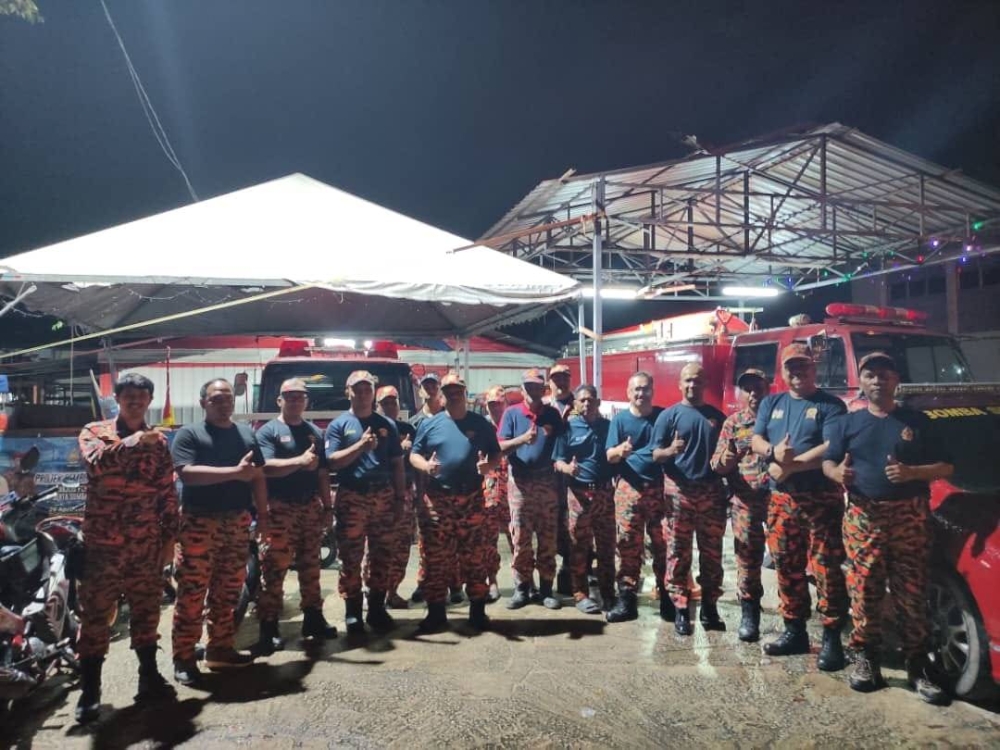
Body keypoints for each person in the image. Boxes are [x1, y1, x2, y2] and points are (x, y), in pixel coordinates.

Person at [823, 352, 952, 704]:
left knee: (912, 592)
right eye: (871, 375)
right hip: (863, 516)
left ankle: (918, 665)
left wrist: (912, 473)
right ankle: (867, 659)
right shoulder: (846, 424)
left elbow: (946, 467)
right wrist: (837, 474)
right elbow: (829, 462)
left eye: (884, 373)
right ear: (862, 383)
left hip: (909, 516)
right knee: (865, 590)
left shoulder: (918, 421)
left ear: (896, 380)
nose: (878, 380)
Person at [74, 374, 178, 723]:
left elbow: (167, 493)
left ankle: (148, 677)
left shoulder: (160, 444)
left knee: (147, 612)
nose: (135, 401)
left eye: (141, 396)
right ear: (117, 398)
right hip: (103, 545)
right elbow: (96, 464)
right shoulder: (94, 432)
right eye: (128, 395)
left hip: (145, 545)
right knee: (95, 617)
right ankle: (90, 690)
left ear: (149, 401)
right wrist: (133, 441)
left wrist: (169, 540)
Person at [751, 343, 848, 671]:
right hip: (782, 501)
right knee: (787, 568)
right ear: (782, 371)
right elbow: (756, 439)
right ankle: (795, 632)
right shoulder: (771, 402)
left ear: (814, 368)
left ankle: (833, 637)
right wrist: (772, 454)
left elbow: (832, 446)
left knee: (826, 569)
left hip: (821, 500)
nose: (797, 372)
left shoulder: (830, 405)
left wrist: (791, 465)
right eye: (791, 367)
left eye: (803, 366)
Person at [170, 378, 266, 685]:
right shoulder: (190, 434)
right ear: (203, 403)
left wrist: (263, 514)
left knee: (228, 590)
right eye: (216, 399)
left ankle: (220, 649)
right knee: (192, 592)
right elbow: (187, 474)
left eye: (228, 398)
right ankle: (184, 657)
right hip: (200, 523)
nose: (224, 403)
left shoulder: (246, 433)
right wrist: (234, 473)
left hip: (236, 522)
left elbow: (258, 476)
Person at [409, 372, 501, 631]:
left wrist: (489, 465)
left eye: (457, 389)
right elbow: (414, 455)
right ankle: (436, 613)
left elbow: (495, 451)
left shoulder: (480, 424)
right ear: (442, 394)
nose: (453, 393)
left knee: (474, 557)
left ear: (464, 391)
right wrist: (426, 466)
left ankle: (477, 611)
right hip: (438, 501)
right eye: (448, 390)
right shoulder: (430, 424)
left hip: (471, 499)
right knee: (436, 559)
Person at [254, 378, 337, 656]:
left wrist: (327, 508)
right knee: (274, 570)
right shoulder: (268, 432)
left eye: (300, 397)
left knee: (311, 566)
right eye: (289, 396)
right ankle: (269, 627)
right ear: (279, 401)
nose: (295, 401)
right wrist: (298, 462)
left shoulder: (314, 432)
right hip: (280, 510)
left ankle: (313, 618)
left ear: (306, 401)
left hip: (309, 508)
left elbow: (323, 473)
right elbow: (265, 468)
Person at [325, 370, 407, 635]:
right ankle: (352, 612)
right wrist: (360, 446)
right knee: (350, 556)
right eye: (357, 389)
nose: (362, 394)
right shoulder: (339, 425)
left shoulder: (388, 425)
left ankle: (376, 608)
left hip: (383, 496)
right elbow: (332, 462)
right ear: (347, 392)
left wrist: (399, 497)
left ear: (373, 393)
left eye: (367, 389)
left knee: (382, 554)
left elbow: (397, 464)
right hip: (352, 497)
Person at [652, 363, 728, 635]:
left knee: (712, 554)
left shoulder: (716, 417)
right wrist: (671, 450)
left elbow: (725, 456)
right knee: (677, 553)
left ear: (704, 383)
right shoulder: (669, 416)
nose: (692, 386)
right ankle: (681, 608)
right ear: (679, 383)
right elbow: (655, 455)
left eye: (697, 381)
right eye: (687, 381)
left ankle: (710, 606)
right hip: (679, 493)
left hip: (710, 493)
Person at [710, 369, 771, 642]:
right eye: (748, 389)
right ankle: (750, 614)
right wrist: (731, 454)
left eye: (758, 387)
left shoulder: (779, 418)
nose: (754, 393)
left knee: (788, 558)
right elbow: (717, 466)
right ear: (741, 392)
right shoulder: (733, 423)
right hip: (744, 502)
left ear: (767, 387)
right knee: (747, 557)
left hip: (778, 500)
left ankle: (796, 619)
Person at [604, 371, 669, 623]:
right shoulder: (619, 421)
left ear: (652, 390)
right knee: (628, 544)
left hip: (658, 490)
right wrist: (621, 450)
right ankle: (627, 600)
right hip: (629, 491)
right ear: (628, 393)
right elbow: (609, 456)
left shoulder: (663, 417)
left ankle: (667, 598)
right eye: (636, 389)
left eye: (645, 388)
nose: (641, 393)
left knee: (662, 545)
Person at [498, 368, 565, 610]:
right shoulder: (512, 414)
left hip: (547, 482)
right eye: (528, 386)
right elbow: (500, 447)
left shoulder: (552, 415)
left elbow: (562, 444)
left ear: (543, 389)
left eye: (537, 386)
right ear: (522, 388)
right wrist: (522, 440)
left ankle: (546, 589)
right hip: (520, 484)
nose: (533, 391)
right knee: (521, 539)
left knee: (548, 538)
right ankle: (522, 587)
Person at [552, 384, 615, 614]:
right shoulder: (567, 428)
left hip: (605, 494)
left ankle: (609, 594)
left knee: (607, 546)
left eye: (591, 399)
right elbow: (557, 461)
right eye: (582, 400)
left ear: (598, 402)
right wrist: (567, 468)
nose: (587, 404)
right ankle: (580, 594)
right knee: (578, 546)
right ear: (576, 405)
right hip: (578, 494)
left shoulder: (609, 427)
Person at [376, 385, 418, 609]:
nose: (390, 406)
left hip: (406, 493)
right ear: (378, 406)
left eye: (393, 402)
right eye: (385, 403)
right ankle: (373, 593)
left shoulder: (407, 428)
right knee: (377, 546)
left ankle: (392, 591)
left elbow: (419, 459)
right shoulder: (372, 428)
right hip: (380, 494)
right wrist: (399, 449)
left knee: (402, 544)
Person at [546, 363, 576, 596]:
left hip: (575, 476)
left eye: (564, 378)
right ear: (549, 382)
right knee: (550, 524)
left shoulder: (582, 404)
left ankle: (571, 573)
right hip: (547, 477)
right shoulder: (543, 407)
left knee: (573, 525)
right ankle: (548, 575)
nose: (560, 383)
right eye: (556, 379)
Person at [482, 385, 513, 603]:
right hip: (489, 494)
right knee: (488, 542)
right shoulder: (481, 428)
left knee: (518, 541)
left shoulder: (514, 425)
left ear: (506, 404)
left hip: (513, 492)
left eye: (499, 404)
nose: (496, 408)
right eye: (491, 404)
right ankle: (492, 582)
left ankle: (523, 582)